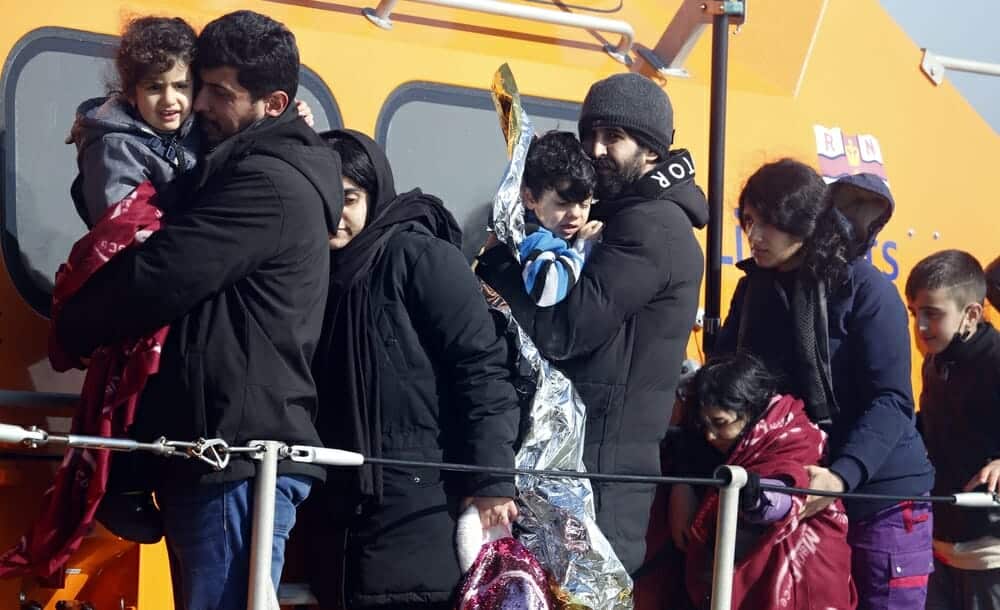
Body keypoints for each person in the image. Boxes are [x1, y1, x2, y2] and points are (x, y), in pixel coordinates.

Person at [53, 11, 342, 610]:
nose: (198, 104)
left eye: (218, 92)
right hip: (207, 453)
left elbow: (166, 271)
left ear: (273, 102)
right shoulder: (235, 163)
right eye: (199, 85)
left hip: (235, 458)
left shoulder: (269, 184)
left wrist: (76, 323)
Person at [476, 72, 709, 574]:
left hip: (600, 478)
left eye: (613, 138)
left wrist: (497, 269)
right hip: (586, 470)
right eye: (590, 135)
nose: (596, 149)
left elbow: (565, 332)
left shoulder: (648, 226)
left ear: (650, 149)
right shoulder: (625, 217)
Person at [709, 162, 935, 609]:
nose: (754, 235)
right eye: (749, 221)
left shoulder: (868, 290)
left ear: (805, 222)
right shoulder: (753, 290)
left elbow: (892, 401)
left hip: (879, 497)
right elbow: (724, 387)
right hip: (794, 490)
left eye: (769, 223)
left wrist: (840, 475)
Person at [313, 129, 520, 609]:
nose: (336, 215)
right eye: (324, 199)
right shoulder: (317, 272)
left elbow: (482, 368)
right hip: (348, 519)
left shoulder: (419, 257)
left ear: (374, 192)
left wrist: (491, 480)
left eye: (349, 198)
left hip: (423, 505)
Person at [678, 353, 855, 609]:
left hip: (806, 572)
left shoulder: (793, 437)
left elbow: (785, 491)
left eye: (719, 423)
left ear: (751, 410)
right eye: (703, 425)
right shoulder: (737, 447)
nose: (710, 436)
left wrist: (755, 497)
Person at [906, 250, 1000, 610]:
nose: (921, 326)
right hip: (941, 543)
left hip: (990, 553)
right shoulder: (935, 362)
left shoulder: (995, 358)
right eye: (915, 313)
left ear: (971, 314)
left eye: (932, 313)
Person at [72, 16, 200, 227]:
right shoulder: (116, 148)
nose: (169, 100)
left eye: (181, 86)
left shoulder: (198, 128)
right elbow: (128, 232)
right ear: (132, 92)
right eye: (154, 88)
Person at [517, 130, 602, 306]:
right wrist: (582, 247)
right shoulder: (534, 237)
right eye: (563, 204)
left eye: (585, 204)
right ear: (530, 198)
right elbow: (546, 291)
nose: (576, 214)